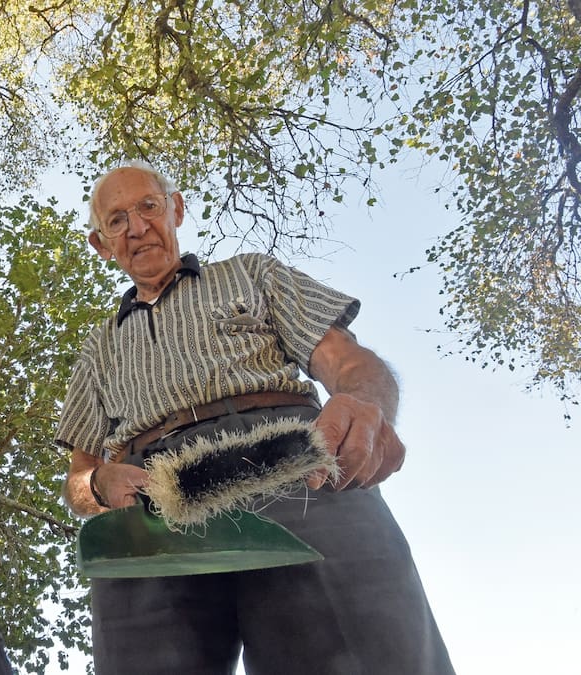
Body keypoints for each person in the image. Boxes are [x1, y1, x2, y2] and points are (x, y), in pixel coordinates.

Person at [56, 161, 455, 673]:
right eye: (116, 220)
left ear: (175, 210)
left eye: (148, 207)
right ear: (101, 244)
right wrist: (100, 481)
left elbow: (348, 362)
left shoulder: (252, 273)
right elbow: (79, 481)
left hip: (295, 469)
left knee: (367, 650)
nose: (136, 227)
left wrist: (366, 401)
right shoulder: (98, 346)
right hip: (150, 510)